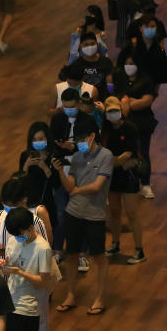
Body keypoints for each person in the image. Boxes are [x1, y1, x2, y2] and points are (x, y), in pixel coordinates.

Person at [0, 177, 54, 331]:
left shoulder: (40, 242)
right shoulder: (6, 232)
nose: (18, 237)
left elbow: (43, 277)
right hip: (13, 285)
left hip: (33, 285)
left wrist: (19, 271)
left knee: (37, 312)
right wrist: (2, 263)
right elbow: (3, 254)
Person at [54, 129, 113, 316]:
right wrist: (60, 173)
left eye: (82, 139)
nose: (80, 143)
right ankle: (70, 295)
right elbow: (69, 186)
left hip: (95, 215)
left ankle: (100, 298)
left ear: (92, 136)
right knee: (71, 254)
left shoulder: (106, 156)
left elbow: (97, 186)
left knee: (98, 257)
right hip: (74, 213)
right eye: (77, 140)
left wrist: (77, 191)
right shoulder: (77, 157)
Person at [99, 96, 145, 263]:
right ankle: (115, 243)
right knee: (114, 212)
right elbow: (105, 154)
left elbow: (129, 154)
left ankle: (139, 250)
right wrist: (118, 162)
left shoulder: (130, 128)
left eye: (115, 111)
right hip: (113, 177)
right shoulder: (105, 131)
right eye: (109, 111)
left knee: (132, 213)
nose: (113, 114)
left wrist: (112, 161)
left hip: (129, 177)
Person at [113, 45, 160, 199]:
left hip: (142, 123)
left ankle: (145, 184)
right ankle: (126, 183)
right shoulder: (120, 79)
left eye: (132, 64)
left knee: (143, 153)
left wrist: (128, 102)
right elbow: (116, 101)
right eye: (127, 64)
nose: (129, 67)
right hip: (123, 125)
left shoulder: (146, 80)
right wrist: (131, 101)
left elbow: (147, 101)